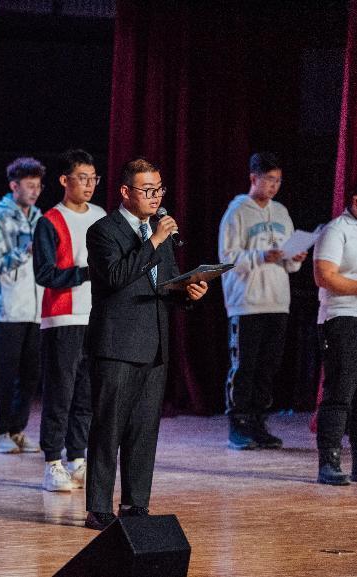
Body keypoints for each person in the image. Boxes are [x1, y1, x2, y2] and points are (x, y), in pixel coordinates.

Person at [84, 158, 207, 530]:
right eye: (148, 190)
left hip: (154, 345)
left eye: (159, 190)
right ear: (126, 192)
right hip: (117, 345)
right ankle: (98, 507)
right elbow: (115, 277)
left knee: (143, 429)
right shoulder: (103, 231)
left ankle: (136, 503)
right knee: (109, 427)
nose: (156, 197)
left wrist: (188, 292)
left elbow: (164, 284)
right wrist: (154, 241)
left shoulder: (158, 232)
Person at [218, 152, 307, 450]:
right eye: (269, 180)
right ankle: (238, 424)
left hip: (277, 300)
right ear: (253, 178)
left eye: (278, 181)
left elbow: (290, 263)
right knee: (245, 365)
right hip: (247, 301)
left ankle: (258, 423)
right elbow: (227, 259)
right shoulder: (236, 212)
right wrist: (260, 256)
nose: (273, 186)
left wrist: (296, 257)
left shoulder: (281, 212)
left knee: (268, 367)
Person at [33, 150, 107, 492]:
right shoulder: (49, 221)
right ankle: (52, 461)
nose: (89, 185)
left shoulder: (101, 216)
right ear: (65, 180)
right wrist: (86, 272)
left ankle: (77, 457)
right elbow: (45, 273)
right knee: (59, 393)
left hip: (96, 314)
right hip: (62, 317)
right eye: (82, 178)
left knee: (87, 393)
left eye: (93, 179)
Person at [0, 157, 44, 454]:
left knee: (30, 374)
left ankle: (18, 429)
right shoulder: (0, 217)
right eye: (29, 186)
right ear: (14, 186)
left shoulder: (39, 217)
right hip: (7, 308)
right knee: (5, 374)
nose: (35, 191)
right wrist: (24, 252)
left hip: (35, 307)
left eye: (38, 186)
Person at [313, 187, 357, 485]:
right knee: (340, 390)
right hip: (341, 318)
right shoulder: (336, 230)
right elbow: (324, 276)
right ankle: (329, 461)